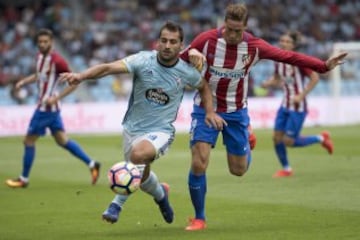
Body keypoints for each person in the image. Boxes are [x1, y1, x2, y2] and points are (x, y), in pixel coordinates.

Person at [180, 3, 347, 231]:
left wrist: (323, 66)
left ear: (246, 28)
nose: (232, 35)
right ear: (223, 25)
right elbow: (179, 59)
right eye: (229, 29)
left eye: (238, 31)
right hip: (205, 108)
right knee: (199, 162)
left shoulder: (254, 46)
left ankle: (247, 138)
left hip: (236, 112)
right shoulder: (206, 40)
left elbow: (289, 56)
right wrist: (189, 53)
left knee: (238, 170)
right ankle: (199, 218)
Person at [59, 21, 225, 225]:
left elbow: (204, 87)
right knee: (142, 177)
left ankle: (116, 205)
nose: (167, 45)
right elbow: (109, 68)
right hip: (131, 129)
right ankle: (161, 195)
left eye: (173, 42)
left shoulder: (186, 71)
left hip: (161, 131)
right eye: (163, 40)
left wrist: (209, 111)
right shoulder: (142, 60)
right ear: (157, 42)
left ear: (181, 46)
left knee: (138, 156)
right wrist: (81, 76)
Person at [5, 29, 100, 188]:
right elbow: (38, 75)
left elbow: (74, 82)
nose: (42, 44)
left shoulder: (58, 61)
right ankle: (92, 164)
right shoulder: (39, 57)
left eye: (45, 42)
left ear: (52, 43)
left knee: (28, 140)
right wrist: (24, 82)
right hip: (50, 109)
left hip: (46, 108)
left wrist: (57, 97)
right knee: (62, 140)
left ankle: (23, 179)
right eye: (40, 42)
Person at [261, 31, 334, 178]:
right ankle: (287, 169)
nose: (283, 43)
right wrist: (268, 83)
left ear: (294, 45)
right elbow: (277, 79)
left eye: (287, 41)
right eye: (282, 40)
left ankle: (321, 138)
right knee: (276, 138)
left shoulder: (299, 61)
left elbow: (315, 78)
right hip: (285, 105)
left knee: (288, 141)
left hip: (298, 107)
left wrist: (301, 95)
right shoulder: (278, 61)